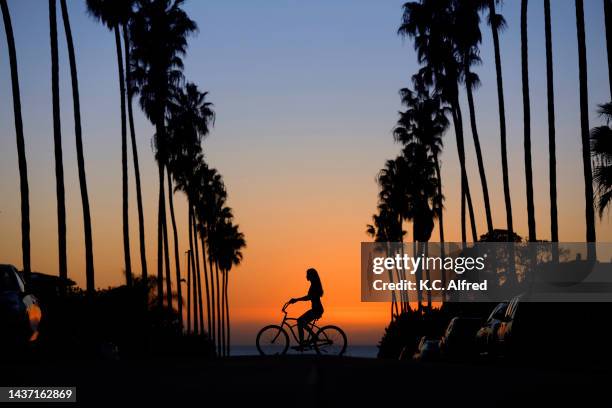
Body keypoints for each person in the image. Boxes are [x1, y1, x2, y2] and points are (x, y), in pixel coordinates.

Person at [288, 268, 324, 348]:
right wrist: (296, 300)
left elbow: (309, 297)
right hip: (316, 309)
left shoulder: (315, 285)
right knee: (300, 321)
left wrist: (296, 300)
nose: (306, 276)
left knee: (300, 321)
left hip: (316, 310)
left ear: (312, 275)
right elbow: (309, 297)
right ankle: (305, 341)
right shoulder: (314, 284)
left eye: (308, 274)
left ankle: (308, 340)